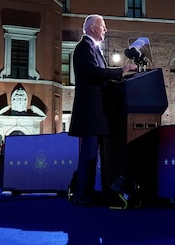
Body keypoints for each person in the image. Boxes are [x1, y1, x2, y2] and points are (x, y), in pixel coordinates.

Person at [68, 14, 137, 206]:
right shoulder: (83, 48)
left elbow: (101, 75)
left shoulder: (93, 49)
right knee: (88, 156)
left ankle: (87, 193)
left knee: (92, 156)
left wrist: (118, 77)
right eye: (103, 26)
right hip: (90, 111)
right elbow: (93, 73)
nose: (105, 30)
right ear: (92, 29)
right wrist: (120, 71)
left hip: (99, 112)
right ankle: (82, 195)